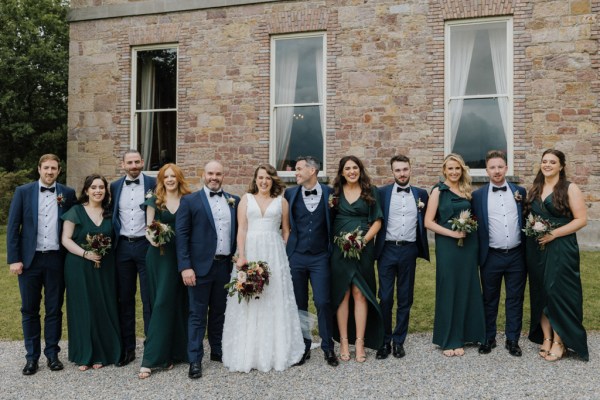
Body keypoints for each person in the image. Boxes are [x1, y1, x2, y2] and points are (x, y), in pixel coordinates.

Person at [222, 164, 305, 372]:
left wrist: (285, 257)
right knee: (249, 298)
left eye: (268, 178)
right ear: (255, 179)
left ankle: (276, 351)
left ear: (273, 180)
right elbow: (241, 229)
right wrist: (241, 255)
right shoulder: (245, 200)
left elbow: (286, 231)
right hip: (250, 250)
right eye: (260, 177)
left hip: (274, 253)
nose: (264, 181)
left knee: (274, 297)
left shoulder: (282, 202)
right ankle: (248, 352)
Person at [7, 154, 77, 375]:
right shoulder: (23, 192)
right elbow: (13, 228)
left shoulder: (67, 193)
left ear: (59, 171)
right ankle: (31, 358)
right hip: (30, 261)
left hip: (57, 259)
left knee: (54, 309)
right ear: (39, 169)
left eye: (53, 168)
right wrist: (14, 259)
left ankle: (52, 355)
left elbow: (74, 224)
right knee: (29, 309)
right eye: (46, 168)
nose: (49, 172)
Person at [176, 161, 239, 379]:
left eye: (218, 174)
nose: (214, 177)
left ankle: (217, 351)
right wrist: (185, 267)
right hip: (199, 268)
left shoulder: (234, 201)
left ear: (224, 176)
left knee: (220, 313)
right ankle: (195, 360)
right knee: (197, 314)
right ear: (203, 175)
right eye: (210, 173)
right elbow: (182, 237)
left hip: (224, 267)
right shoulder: (190, 201)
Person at [525, 149, 588, 361]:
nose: (548, 165)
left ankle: (561, 341)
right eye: (544, 161)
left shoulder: (570, 188)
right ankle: (546, 338)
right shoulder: (535, 188)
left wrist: (554, 234)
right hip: (537, 248)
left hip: (561, 247)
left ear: (561, 166)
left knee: (558, 293)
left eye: (553, 162)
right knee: (541, 292)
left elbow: (581, 220)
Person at [424, 153, 485, 357]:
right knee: (449, 287)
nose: (454, 172)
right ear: (444, 171)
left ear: (462, 170)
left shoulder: (468, 191)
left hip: (468, 246)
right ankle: (449, 339)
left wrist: (467, 229)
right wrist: (452, 233)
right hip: (448, 247)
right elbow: (429, 222)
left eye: (457, 168)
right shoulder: (437, 191)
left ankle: (467, 334)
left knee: (467, 286)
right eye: (450, 168)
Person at [61, 174, 122, 370]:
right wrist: (85, 253)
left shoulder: (110, 213)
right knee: (83, 308)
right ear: (86, 190)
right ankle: (83, 354)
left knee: (103, 305)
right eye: (94, 187)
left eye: (101, 187)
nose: (98, 191)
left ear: (106, 191)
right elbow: (66, 239)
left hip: (106, 266)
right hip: (79, 265)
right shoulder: (75, 211)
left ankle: (103, 354)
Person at [138, 164, 192, 379]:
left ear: (179, 178)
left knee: (180, 303)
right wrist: (156, 238)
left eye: (173, 176)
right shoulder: (154, 199)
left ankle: (177, 353)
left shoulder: (189, 199)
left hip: (184, 256)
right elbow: (148, 229)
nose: (170, 179)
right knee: (161, 302)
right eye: (166, 176)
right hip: (160, 256)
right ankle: (151, 358)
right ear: (161, 179)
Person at [284, 156, 338, 367]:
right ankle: (303, 347)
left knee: (323, 301)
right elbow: (285, 225)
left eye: (298, 169)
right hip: (297, 256)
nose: (295, 173)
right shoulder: (289, 194)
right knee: (299, 302)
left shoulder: (330, 193)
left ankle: (328, 347)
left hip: (320, 256)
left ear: (312, 170)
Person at [374, 155, 429, 360]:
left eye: (405, 169)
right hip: (387, 250)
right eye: (398, 170)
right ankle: (384, 341)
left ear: (410, 169)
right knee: (386, 298)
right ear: (392, 172)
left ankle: (399, 342)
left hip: (409, 250)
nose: (402, 173)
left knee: (405, 298)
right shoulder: (382, 193)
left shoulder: (421, 194)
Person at [472, 150, 527, 357]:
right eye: (492, 167)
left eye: (500, 166)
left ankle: (512, 340)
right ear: (486, 170)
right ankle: (489, 338)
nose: (496, 171)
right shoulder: (477, 196)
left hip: (516, 255)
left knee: (515, 298)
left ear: (506, 168)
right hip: (491, 255)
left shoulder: (520, 192)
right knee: (489, 298)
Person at [330, 155, 384, 363]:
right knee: (342, 293)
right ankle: (343, 341)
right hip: (339, 250)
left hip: (363, 249)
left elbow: (378, 221)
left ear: (360, 170)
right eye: (347, 168)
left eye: (355, 168)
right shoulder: (334, 194)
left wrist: (362, 241)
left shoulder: (371, 192)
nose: (351, 171)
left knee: (360, 293)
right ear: (342, 172)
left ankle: (360, 341)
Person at [110, 149, 156, 367]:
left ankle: (151, 348)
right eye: (130, 162)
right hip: (122, 249)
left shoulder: (153, 184)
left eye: (137, 161)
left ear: (143, 162)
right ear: (123, 165)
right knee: (125, 299)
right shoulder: (115, 186)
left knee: (149, 299)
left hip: (146, 246)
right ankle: (127, 349)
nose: (134, 165)